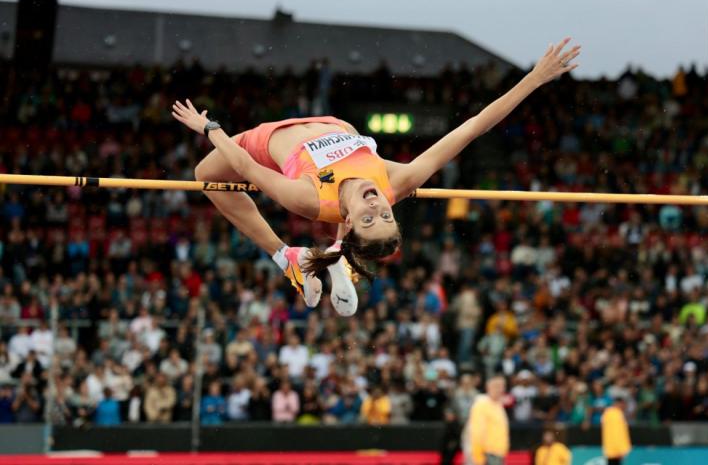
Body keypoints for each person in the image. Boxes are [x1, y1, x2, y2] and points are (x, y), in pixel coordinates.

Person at [172, 38, 580, 316]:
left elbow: (244, 168)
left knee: (205, 175)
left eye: (368, 218)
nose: (376, 206)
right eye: (385, 215)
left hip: (267, 139)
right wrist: (534, 79)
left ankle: (287, 257)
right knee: (351, 212)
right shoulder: (396, 183)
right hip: (334, 123)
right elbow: (472, 128)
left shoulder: (309, 200)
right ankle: (336, 262)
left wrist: (209, 128)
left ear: (350, 222)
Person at [463, 375, 509, 465]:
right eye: (497, 386)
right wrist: (478, 458)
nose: (500, 389)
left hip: (498, 453)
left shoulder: (498, 405)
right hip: (488, 454)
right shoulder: (482, 405)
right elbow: (476, 432)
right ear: (488, 387)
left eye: (502, 386)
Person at [601, 398, 632, 465]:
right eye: (623, 404)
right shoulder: (614, 414)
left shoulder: (610, 413)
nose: (624, 406)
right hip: (615, 450)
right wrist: (621, 448)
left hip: (612, 449)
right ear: (618, 404)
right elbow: (617, 433)